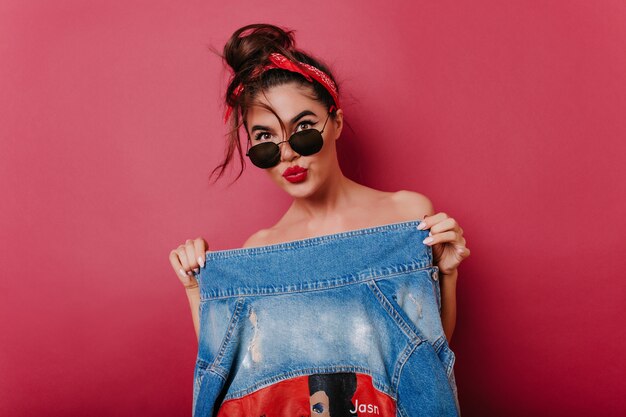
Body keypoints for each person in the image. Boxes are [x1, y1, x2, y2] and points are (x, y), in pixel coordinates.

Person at [169, 20, 469, 371]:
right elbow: (240, 367)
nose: (287, 155)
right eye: (265, 140)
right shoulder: (261, 249)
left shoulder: (407, 212)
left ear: (336, 122)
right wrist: (194, 288)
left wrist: (447, 273)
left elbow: (427, 356)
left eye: (304, 129)